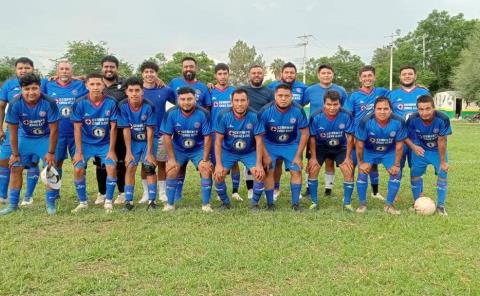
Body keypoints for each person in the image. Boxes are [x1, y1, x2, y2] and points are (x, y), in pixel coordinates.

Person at [0, 73, 60, 215]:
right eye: (27, 89)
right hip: (25, 138)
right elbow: (13, 132)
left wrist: (51, 152)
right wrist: (15, 154)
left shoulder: (49, 102)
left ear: (39, 88)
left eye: (34, 88)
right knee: (15, 167)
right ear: (21, 89)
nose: (31, 92)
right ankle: (13, 205)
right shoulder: (15, 103)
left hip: (44, 138)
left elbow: (54, 130)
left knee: (51, 168)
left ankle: (50, 205)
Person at [0, 57, 46, 205]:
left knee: (32, 162)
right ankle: (3, 195)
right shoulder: (9, 85)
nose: (23, 70)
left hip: (35, 130)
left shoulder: (43, 82)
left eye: (27, 67)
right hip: (13, 130)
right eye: (20, 68)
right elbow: (1, 106)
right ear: (16, 70)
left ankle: (28, 196)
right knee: (5, 160)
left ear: (33, 69)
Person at [70, 73, 118, 213]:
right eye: (92, 84)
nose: (96, 87)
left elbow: (114, 127)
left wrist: (111, 150)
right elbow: (77, 129)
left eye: (98, 84)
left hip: (105, 143)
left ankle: (108, 201)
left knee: (111, 167)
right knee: (78, 168)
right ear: (86, 86)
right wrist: (78, 152)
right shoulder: (80, 103)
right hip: (85, 144)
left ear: (103, 85)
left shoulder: (111, 102)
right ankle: (83, 202)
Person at [160, 86, 213, 212]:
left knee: (205, 169)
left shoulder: (203, 113)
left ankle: (206, 205)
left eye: (190, 99)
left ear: (195, 99)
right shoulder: (171, 113)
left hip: (198, 148)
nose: (186, 102)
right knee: (172, 170)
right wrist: (171, 159)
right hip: (179, 149)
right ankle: (170, 204)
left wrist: (205, 159)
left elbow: (207, 137)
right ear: (178, 100)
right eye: (183, 99)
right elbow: (167, 136)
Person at [168, 57, 212, 202]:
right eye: (185, 66)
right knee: (178, 167)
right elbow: (166, 98)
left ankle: (206, 200)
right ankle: (176, 196)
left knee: (204, 166)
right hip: (180, 135)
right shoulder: (174, 83)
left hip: (198, 135)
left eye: (191, 66)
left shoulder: (203, 87)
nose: (188, 69)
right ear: (182, 68)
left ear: (196, 68)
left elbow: (207, 107)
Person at [259, 84, 309, 210]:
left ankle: (295, 204)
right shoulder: (265, 111)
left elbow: (305, 133)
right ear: (275, 96)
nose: (283, 98)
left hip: (290, 145)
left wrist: (298, 156)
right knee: (269, 171)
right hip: (270, 145)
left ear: (291, 97)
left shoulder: (298, 110)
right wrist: (265, 155)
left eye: (287, 96)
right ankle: (270, 204)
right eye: (280, 95)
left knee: (296, 170)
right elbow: (259, 136)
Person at [44, 59, 88, 203]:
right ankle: (55, 193)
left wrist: (79, 78)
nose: (64, 71)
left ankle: (82, 199)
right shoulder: (48, 85)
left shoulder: (80, 85)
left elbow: (95, 84)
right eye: (61, 69)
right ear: (56, 72)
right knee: (56, 163)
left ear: (72, 72)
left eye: (67, 69)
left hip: (77, 133)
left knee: (79, 165)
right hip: (57, 133)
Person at [213, 88, 265, 210]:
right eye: (236, 100)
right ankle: (225, 203)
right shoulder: (223, 115)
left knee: (259, 174)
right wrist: (218, 164)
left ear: (248, 101)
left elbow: (259, 141)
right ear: (232, 102)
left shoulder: (255, 115)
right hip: (229, 151)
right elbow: (218, 142)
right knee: (218, 175)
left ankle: (254, 204)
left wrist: (259, 164)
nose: (240, 103)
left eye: (242, 100)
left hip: (249, 151)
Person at [355, 96, 406, 215]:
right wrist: (361, 163)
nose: (382, 112)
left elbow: (399, 146)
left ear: (391, 110)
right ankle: (362, 204)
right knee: (362, 173)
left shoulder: (399, 121)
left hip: (389, 151)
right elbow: (359, 144)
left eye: (385, 109)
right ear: (374, 110)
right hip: (369, 151)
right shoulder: (366, 121)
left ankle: (389, 205)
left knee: (396, 173)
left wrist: (396, 164)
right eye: (379, 109)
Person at [303, 64, 348, 198]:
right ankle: (308, 188)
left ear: (333, 75)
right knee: (312, 160)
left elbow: (344, 107)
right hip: (315, 131)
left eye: (329, 73)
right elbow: (301, 105)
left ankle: (328, 189)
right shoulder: (310, 90)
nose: (326, 75)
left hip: (334, 131)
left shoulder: (341, 90)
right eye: (323, 73)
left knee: (330, 161)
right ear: (318, 75)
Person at [345, 65, 389, 201]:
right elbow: (348, 116)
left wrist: (418, 88)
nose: (367, 78)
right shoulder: (354, 96)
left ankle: (375, 193)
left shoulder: (382, 92)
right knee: (352, 164)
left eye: (370, 76)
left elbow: (400, 94)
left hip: (375, 137)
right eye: (364, 76)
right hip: (358, 137)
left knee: (373, 164)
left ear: (374, 77)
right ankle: (348, 194)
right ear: (360, 78)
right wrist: (350, 135)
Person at [307, 90, 355, 211]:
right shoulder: (315, 116)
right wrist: (312, 158)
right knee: (313, 168)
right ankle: (314, 202)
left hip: (340, 148)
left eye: (335, 105)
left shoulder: (347, 115)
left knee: (348, 169)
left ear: (340, 104)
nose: (332, 108)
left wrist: (348, 158)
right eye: (329, 104)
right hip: (321, 147)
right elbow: (311, 138)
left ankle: (347, 203)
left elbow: (350, 138)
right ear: (324, 104)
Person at [405, 95, 451, 216]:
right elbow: (405, 136)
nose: (424, 112)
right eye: (421, 109)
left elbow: (442, 140)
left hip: (437, 151)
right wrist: (414, 147)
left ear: (433, 108)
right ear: (417, 109)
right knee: (415, 175)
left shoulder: (443, 118)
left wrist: (443, 161)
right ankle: (417, 203)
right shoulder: (412, 119)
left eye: (427, 108)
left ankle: (440, 206)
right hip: (420, 150)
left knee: (442, 174)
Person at [267, 62, 307, 200]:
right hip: (276, 129)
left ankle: (296, 193)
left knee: (295, 165)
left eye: (292, 72)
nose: (289, 75)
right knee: (276, 163)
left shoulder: (303, 87)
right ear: (281, 74)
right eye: (287, 72)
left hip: (294, 133)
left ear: (296, 74)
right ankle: (276, 188)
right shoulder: (272, 86)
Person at [138, 61, 176, 204]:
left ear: (156, 74)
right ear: (142, 74)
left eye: (152, 72)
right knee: (145, 164)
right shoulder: (137, 90)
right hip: (142, 135)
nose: (149, 74)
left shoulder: (165, 90)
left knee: (161, 163)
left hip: (160, 133)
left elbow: (178, 103)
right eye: (146, 72)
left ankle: (162, 192)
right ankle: (146, 193)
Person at [118, 77, 158, 211]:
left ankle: (152, 201)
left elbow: (150, 130)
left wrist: (149, 153)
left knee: (149, 167)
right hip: (134, 141)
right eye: (131, 90)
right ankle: (128, 202)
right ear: (126, 92)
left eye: (137, 90)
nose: (134, 93)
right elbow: (126, 129)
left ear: (142, 91)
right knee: (130, 166)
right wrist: (128, 152)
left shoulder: (149, 105)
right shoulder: (123, 106)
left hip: (148, 140)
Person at [95, 56, 126, 206]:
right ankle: (102, 193)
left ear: (116, 68)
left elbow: (139, 87)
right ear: (102, 68)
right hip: (99, 130)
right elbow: (79, 80)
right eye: (106, 66)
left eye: (112, 67)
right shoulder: (96, 83)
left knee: (120, 163)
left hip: (119, 130)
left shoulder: (124, 84)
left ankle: (122, 193)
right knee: (101, 164)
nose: (108, 69)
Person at [210, 63, 242, 201]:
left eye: (225, 73)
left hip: (232, 133)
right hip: (214, 133)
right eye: (220, 74)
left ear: (229, 74)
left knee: (234, 161)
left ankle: (235, 192)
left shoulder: (234, 91)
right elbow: (206, 110)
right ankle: (219, 191)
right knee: (216, 163)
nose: (222, 76)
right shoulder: (210, 91)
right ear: (215, 76)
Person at [388, 65, 430, 170]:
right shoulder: (392, 94)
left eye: (410, 74)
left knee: (416, 172)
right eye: (404, 74)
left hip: (418, 138)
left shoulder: (424, 93)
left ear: (415, 76)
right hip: (398, 139)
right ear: (400, 77)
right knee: (395, 170)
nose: (407, 76)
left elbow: (431, 114)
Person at [241, 65, 274, 198]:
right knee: (250, 160)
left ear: (263, 75)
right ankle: (250, 189)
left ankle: (266, 188)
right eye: (253, 73)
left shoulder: (269, 92)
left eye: (259, 73)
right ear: (249, 75)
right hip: (247, 130)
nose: (256, 75)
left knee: (265, 160)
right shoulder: (243, 90)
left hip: (264, 131)